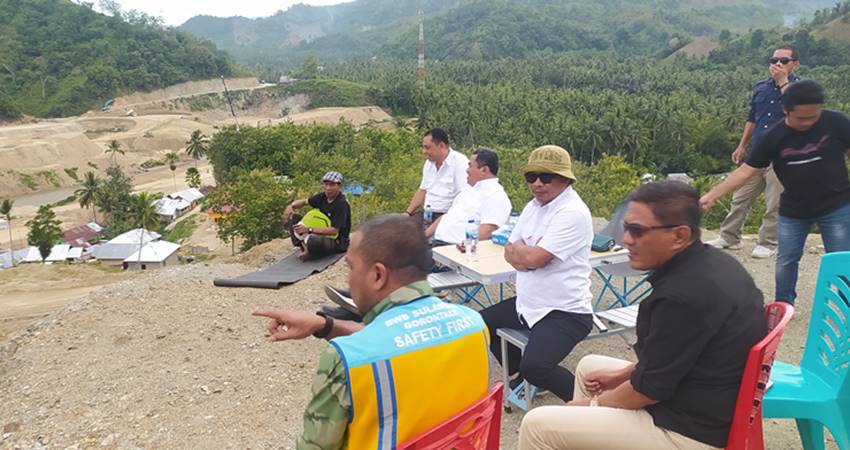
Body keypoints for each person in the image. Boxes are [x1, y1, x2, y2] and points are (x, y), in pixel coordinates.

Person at [519, 181, 767, 450]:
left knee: (538, 425)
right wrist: (619, 378)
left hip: (690, 430)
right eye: (626, 228)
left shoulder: (683, 296)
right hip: (706, 396)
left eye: (637, 231)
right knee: (588, 367)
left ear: (679, 236)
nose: (626, 239)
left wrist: (593, 405)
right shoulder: (712, 264)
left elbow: (648, 390)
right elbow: (671, 357)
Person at [253, 215, 491, 449]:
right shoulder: (475, 326)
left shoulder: (345, 360)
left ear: (378, 275)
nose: (348, 279)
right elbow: (403, 338)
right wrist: (325, 325)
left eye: (351, 267)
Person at [701, 80, 850, 305]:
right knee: (786, 261)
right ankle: (783, 305)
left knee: (840, 261)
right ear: (785, 110)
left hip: (836, 206)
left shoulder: (837, 122)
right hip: (794, 210)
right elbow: (745, 172)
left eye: (813, 116)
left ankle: (846, 307)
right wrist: (711, 196)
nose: (808, 122)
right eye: (801, 118)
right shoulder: (774, 136)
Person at [480, 145, 593, 402]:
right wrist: (526, 257)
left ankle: (588, 403)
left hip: (564, 312)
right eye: (532, 177)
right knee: (482, 324)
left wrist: (526, 256)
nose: (538, 184)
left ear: (564, 179)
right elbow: (511, 250)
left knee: (538, 366)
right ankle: (523, 376)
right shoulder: (534, 207)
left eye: (546, 177)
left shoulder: (571, 213)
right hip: (528, 305)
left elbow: (533, 258)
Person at [706, 46, 800, 259]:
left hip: (784, 155)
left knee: (774, 201)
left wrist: (783, 81)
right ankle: (729, 236)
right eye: (774, 59)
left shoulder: (799, 88)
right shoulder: (761, 88)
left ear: (795, 64)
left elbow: (797, 108)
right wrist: (741, 145)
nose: (777, 64)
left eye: (784, 61)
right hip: (758, 153)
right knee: (740, 197)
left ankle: (768, 242)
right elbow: (752, 118)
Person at [425, 147, 512, 246]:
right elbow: (447, 217)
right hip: (436, 242)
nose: (467, 170)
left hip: (455, 249)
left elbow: (487, 230)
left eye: (470, 166)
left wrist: (464, 245)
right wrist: (422, 236)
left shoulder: (495, 195)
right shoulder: (468, 190)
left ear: (484, 170)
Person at [403, 128, 469, 225]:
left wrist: (450, 218)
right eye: (423, 147)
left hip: (447, 216)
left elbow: (463, 195)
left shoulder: (460, 162)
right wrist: (407, 213)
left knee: (427, 238)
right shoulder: (429, 163)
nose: (424, 151)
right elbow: (423, 190)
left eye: (427, 148)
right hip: (427, 214)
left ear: (441, 145)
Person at [282, 171, 351, 261]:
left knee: (314, 240)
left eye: (332, 185)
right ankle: (305, 248)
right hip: (319, 230)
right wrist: (291, 206)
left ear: (339, 186)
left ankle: (309, 249)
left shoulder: (341, 204)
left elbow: (334, 231)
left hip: (337, 241)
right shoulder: (322, 197)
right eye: (326, 184)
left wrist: (309, 230)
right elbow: (304, 202)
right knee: (293, 218)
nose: (328, 188)